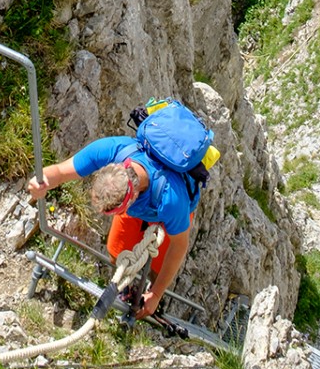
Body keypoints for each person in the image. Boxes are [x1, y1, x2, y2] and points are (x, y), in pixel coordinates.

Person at [27, 134, 196, 319]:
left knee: (158, 265)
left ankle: (151, 297)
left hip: (166, 211)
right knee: (116, 251)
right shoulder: (110, 149)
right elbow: (60, 171)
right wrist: (42, 180)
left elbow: (179, 245)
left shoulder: (172, 201)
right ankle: (127, 288)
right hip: (140, 204)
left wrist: (156, 294)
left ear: (130, 199)